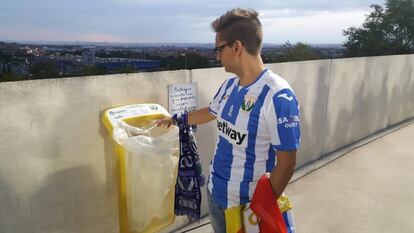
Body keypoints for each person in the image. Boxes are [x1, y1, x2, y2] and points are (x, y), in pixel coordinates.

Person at [158, 8, 300, 233]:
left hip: (248, 206)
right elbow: (211, 112)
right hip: (216, 195)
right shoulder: (229, 86)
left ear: (236, 47)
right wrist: (175, 119)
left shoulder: (278, 95)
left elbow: (287, 162)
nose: (217, 56)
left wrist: (261, 208)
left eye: (219, 49)